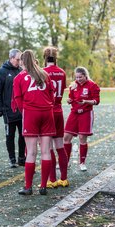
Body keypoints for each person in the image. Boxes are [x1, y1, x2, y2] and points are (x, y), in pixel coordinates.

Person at [13, 49, 55, 196]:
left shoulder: (19, 77)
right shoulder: (44, 74)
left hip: (31, 113)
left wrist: (26, 112)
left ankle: (28, 186)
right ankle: (43, 186)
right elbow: (52, 95)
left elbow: (18, 100)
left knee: (31, 152)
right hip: (47, 113)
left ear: (22, 61)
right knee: (46, 151)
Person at [0, 49, 26, 168]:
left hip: (21, 110)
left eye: (20, 60)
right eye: (17, 59)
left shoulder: (21, 71)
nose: (19, 62)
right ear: (11, 58)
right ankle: (12, 159)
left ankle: (22, 157)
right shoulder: (1, 72)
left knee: (23, 135)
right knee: (10, 135)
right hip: (8, 110)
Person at [63, 67, 100, 171]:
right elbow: (70, 98)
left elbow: (96, 101)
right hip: (74, 113)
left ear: (85, 75)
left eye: (80, 77)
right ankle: (66, 162)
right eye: (77, 77)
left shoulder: (92, 85)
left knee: (82, 138)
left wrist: (85, 102)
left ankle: (82, 163)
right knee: (66, 137)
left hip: (86, 114)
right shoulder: (73, 85)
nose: (78, 79)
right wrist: (69, 100)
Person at [42, 46, 69, 188]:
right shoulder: (62, 72)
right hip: (59, 111)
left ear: (44, 57)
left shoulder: (43, 72)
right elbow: (62, 88)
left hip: (47, 111)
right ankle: (64, 178)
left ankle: (52, 179)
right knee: (60, 146)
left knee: (48, 147)